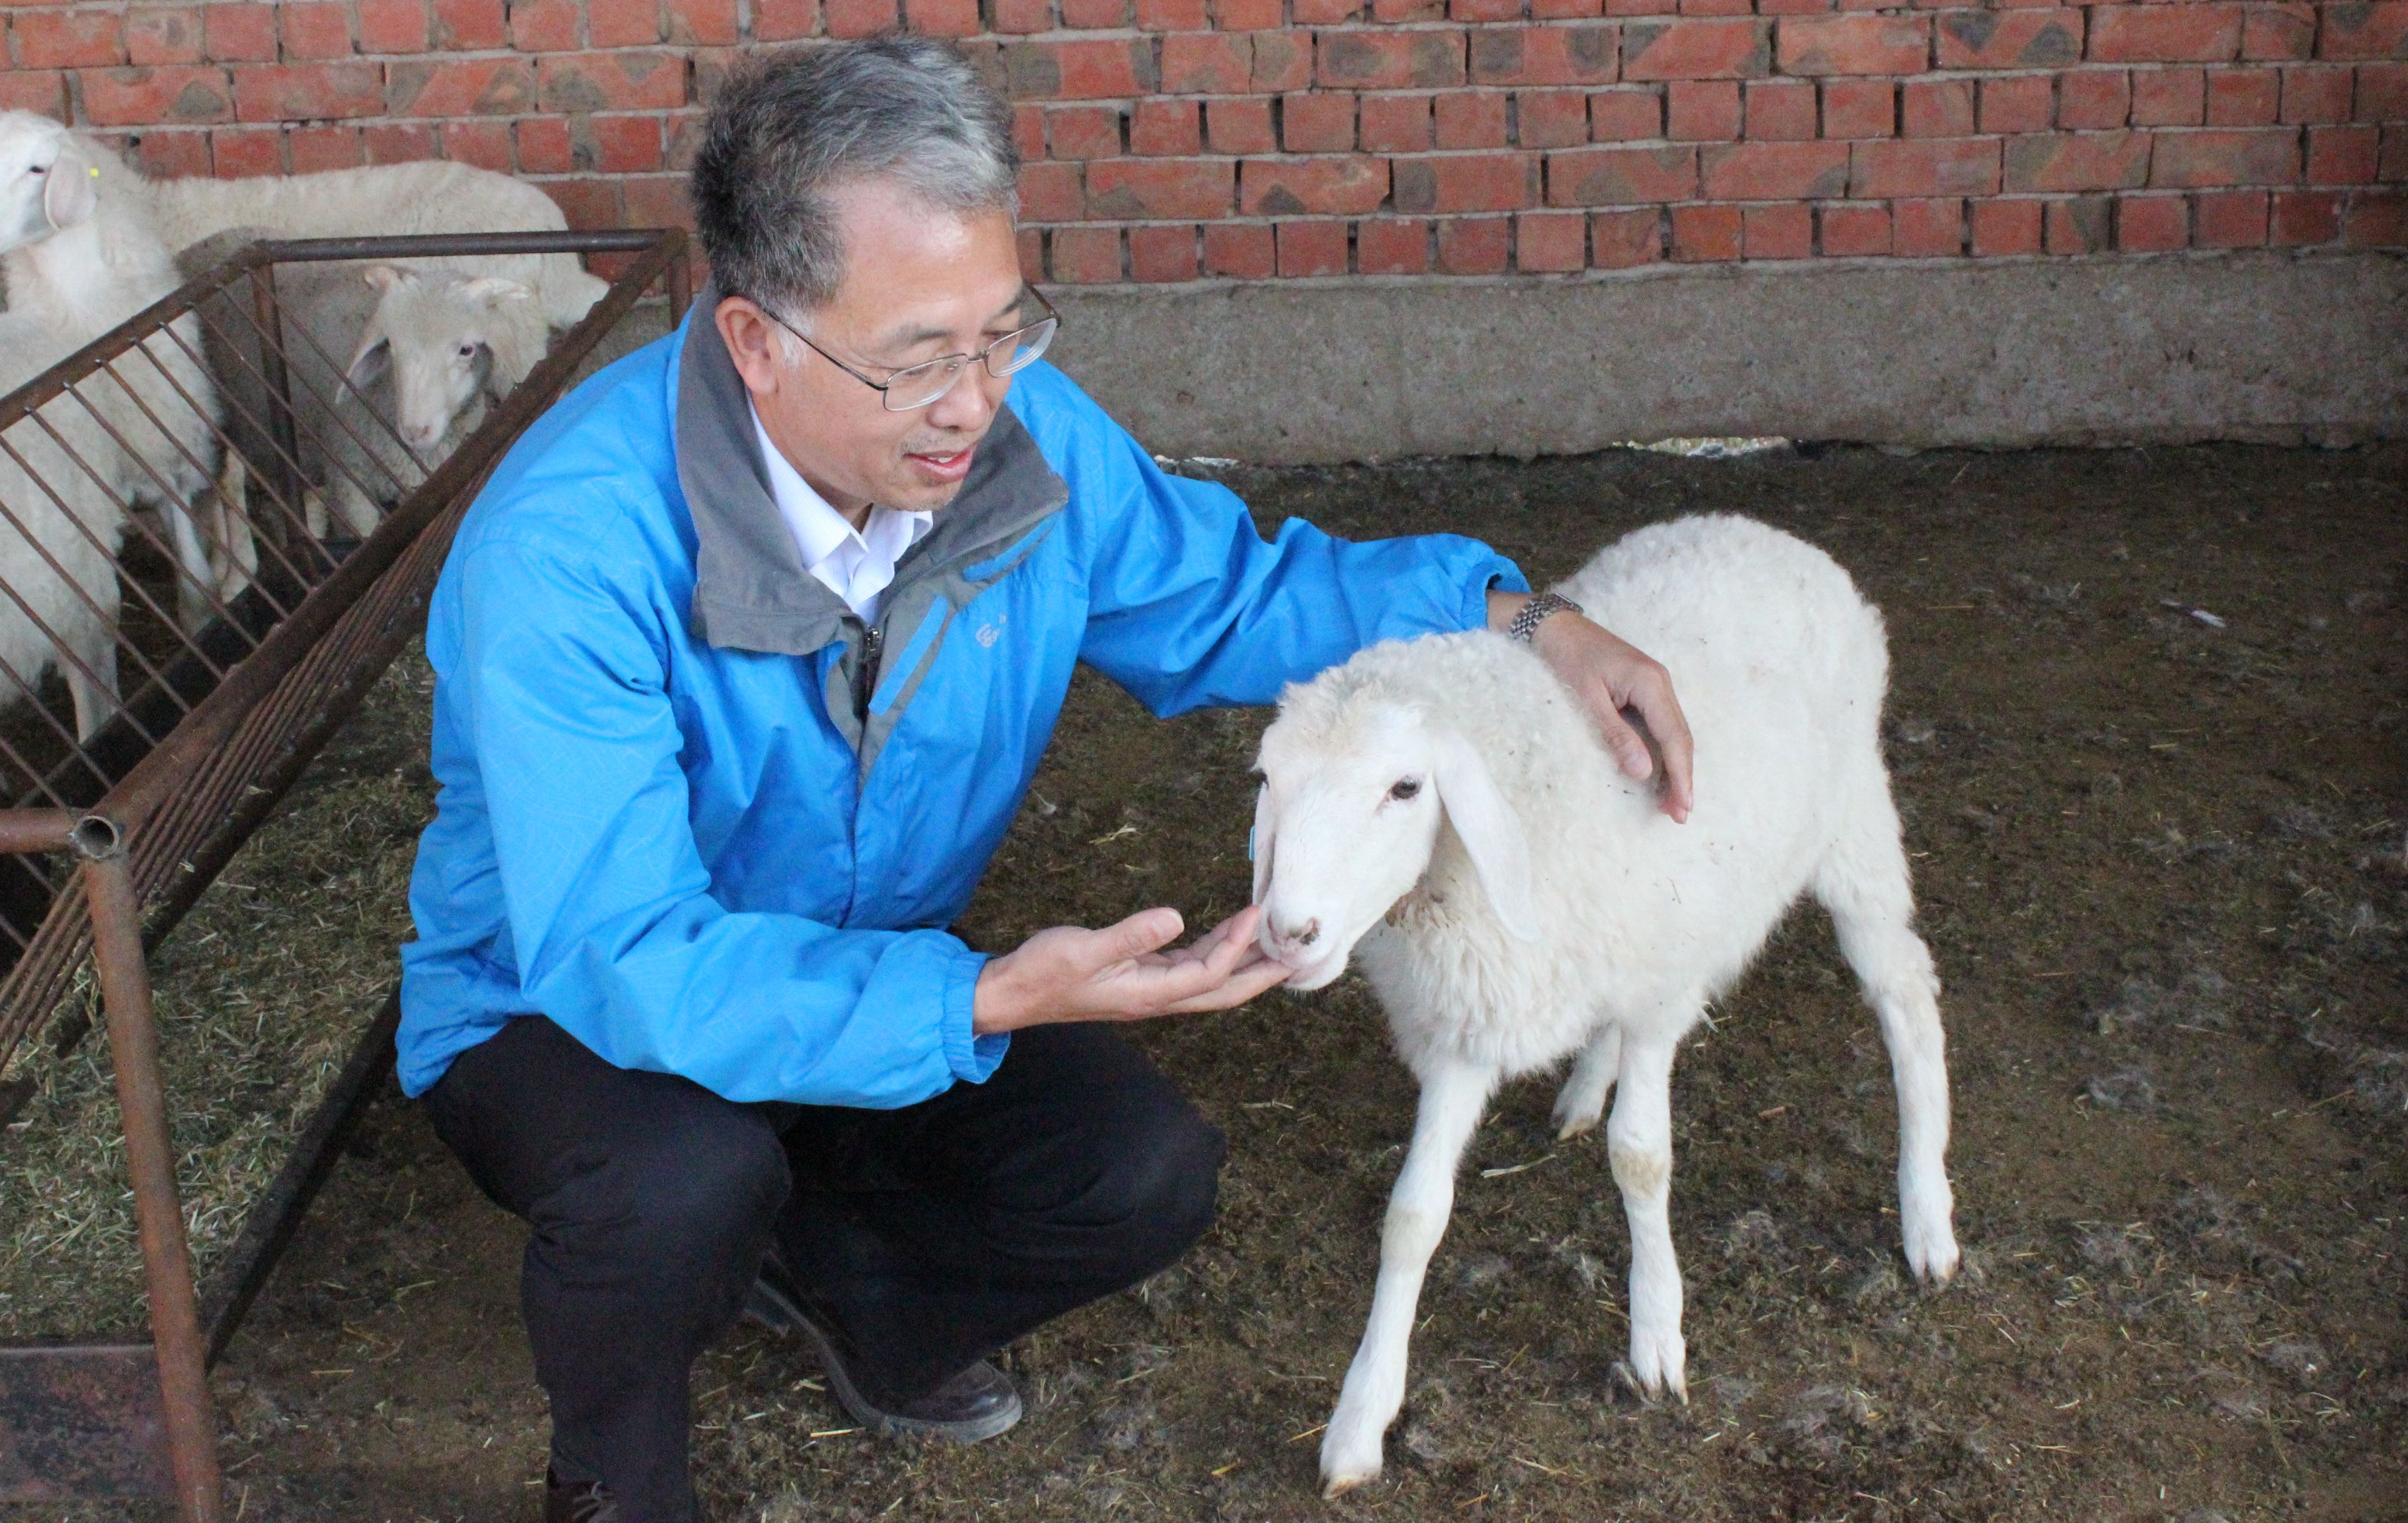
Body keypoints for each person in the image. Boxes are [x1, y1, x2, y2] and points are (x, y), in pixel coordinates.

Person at [395, 36, 1694, 1523]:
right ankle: (611, 1475)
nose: (971, 402)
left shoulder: (1021, 448)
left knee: (1142, 1173)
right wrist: (983, 1000)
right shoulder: (568, 555)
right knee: (678, 1183)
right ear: (754, 342)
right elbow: (626, 953)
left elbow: (1231, 601)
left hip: (864, 957)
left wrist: (1528, 622)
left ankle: (850, 1296)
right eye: (915, 360)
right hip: (566, 1009)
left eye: (1003, 334)